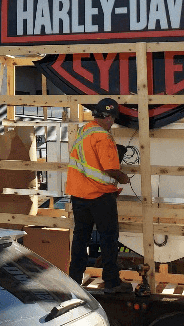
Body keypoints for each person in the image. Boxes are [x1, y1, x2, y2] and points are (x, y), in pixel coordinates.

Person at [66, 97, 132, 293]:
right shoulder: (103, 137)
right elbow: (110, 168)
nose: (113, 123)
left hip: (78, 195)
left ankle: (74, 282)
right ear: (109, 117)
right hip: (100, 196)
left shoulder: (84, 131)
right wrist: (123, 178)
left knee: (80, 238)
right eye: (113, 119)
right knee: (108, 239)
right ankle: (111, 282)